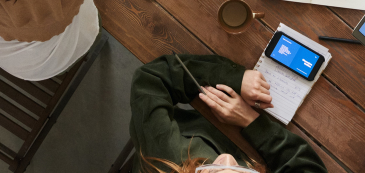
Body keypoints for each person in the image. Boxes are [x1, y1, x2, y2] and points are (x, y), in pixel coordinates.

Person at [130, 53, 327, 173]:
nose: (227, 159)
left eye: (210, 172)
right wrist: (251, 121)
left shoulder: (166, 156)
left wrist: (233, 78)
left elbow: (150, 81)